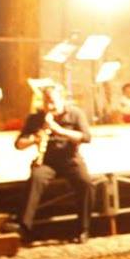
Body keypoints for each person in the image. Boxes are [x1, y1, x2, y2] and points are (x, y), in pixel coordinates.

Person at [11, 83, 95, 243]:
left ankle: (83, 229)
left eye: (52, 102)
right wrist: (34, 138)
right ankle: (24, 227)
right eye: (45, 102)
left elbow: (86, 137)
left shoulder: (76, 114)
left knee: (86, 183)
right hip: (47, 160)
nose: (49, 106)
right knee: (35, 179)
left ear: (62, 100)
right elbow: (18, 144)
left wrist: (60, 131)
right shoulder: (36, 118)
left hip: (70, 158)